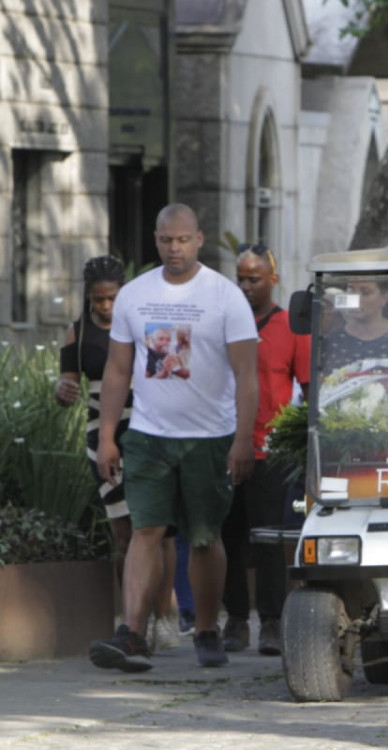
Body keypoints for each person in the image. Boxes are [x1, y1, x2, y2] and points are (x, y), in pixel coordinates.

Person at [89, 203, 258, 672]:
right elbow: (118, 369)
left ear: (198, 240)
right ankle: (132, 634)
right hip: (149, 434)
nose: (174, 248)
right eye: (166, 240)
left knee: (204, 538)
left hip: (209, 436)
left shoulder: (224, 296)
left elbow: (247, 375)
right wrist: (108, 436)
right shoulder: (134, 295)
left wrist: (243, 440)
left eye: (183, 240)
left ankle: (206, 629)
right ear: (156, 239)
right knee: (146, 530)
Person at [56, 256, 181, 651]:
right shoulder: (76, 333)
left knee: (159, 529)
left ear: (125, 291)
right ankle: (132, 622)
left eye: (112, 298)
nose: (107, 307)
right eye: (98, 300)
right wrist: (63, 390)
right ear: (88, 298)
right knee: (124, 534)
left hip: (149, 430)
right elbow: (67, 385)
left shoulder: (150, 320)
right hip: (103, 437)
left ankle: (166, 617)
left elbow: (173, 376)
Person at [221, 243, 311, 655]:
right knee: (226, 535)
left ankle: (272, 621)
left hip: (270, 449)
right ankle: (235, 619)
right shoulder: (221, 321)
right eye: (239, 278)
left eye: (253, 279)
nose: (244, 286)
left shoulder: (290, 327)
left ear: (273, 280)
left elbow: (309, 389)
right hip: (222, 443)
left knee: (269, 539)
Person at [321, 280, 388, 371]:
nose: (356, 299)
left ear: (384, 297)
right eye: (351, 291)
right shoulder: (333, 341)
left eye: (365, 293)